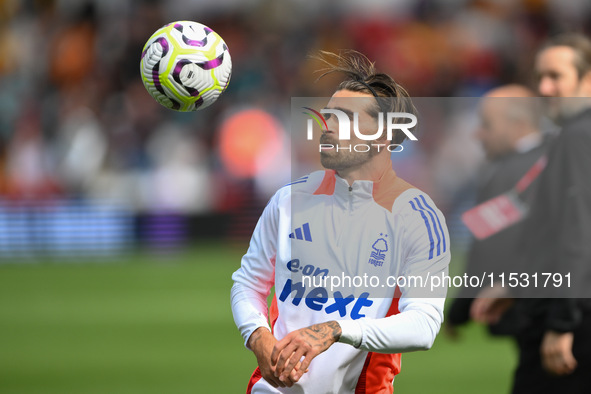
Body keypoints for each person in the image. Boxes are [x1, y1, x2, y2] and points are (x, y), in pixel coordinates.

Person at [230, 51, 450, 393]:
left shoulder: (418, 219)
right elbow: (248, 282)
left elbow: (424, 325)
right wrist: (257, 336)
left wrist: (337, 330)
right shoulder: (288, 201)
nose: (326, 125)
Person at [472, 33, 591, 393]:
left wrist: (562, 323)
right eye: (540, 77)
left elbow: (577, 234)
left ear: (587, 79)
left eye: (556, 76)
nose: (545, 87)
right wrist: (513, 284)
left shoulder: (576, 137)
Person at [447, 85, 548, 337]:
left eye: (487, 125)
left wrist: (459, 310)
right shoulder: (560, 157)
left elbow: (489, 245)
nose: (478, 135)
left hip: (527, 311)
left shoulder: (506, 174)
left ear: (518, 124)